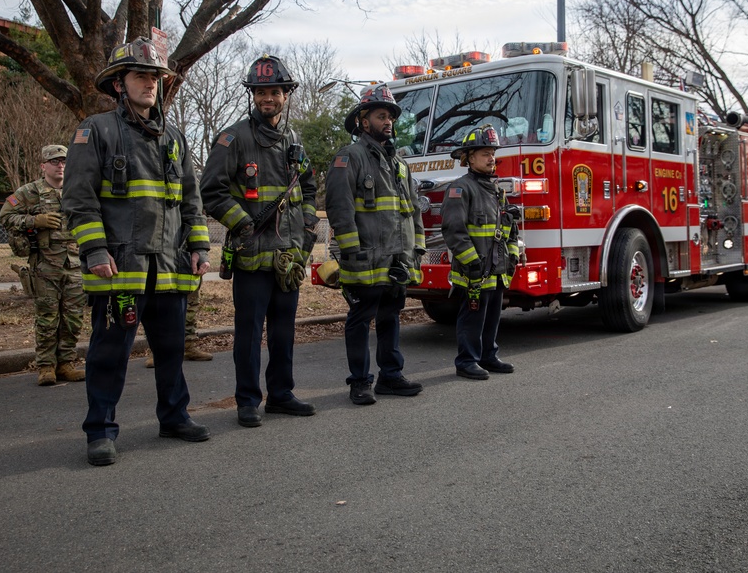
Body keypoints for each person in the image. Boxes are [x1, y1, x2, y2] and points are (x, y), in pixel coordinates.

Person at [62, 37, 212, 466]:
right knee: (109, 354)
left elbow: (191, 201)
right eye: (141, 76)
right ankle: (101, 431)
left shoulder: (176, 137)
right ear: (118, 84)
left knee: (171, 350)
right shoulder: (96, 131)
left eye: (155, 77)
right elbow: (78, 199)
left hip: (169, 269)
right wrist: (94, 250)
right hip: (120, 269)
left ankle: (175, 417)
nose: (150, 84)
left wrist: (199, 245)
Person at [199, 54, 318, 427]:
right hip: (251, 256)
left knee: (283, 331)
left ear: (286, 94)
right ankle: (247, 401)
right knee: (249, 334)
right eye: (260, 92)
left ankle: (281, 394)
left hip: (288, 257)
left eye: (275, 91)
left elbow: (310, 187)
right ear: (253, 95)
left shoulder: (294, 138)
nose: (268, 98)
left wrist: (308, 232)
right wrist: (244, 225)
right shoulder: (232, 138)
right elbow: (211, 191)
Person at [324, 85, 425, 405]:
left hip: (397, 259)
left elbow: (413, 210)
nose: (388, 122)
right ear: (363, 121)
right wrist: (352, 252)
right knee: (359, 317)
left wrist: (417, 250)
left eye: (391, 116)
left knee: (390, 317)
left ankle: (390, 377)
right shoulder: (348, 157)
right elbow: (340, 208)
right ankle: (359, 382)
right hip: (364, 259)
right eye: (381, 115)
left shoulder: (400, 163)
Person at [0, 145, 86, 386]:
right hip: (45, 264)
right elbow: (5, 217)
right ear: (43, 166)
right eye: (54, 161)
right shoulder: (29, 192)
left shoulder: (78, 190)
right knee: (47, 317)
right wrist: (34, 221)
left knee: (73, 317)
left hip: (75, 264)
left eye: (64, 161)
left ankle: (66, 363)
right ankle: (46, 366)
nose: (60, 166)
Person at [441, 125, 521, 380]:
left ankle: (488, 355)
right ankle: (466, 360)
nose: (491, 158)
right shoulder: (460, 189)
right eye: (485, 153)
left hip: (496, 269)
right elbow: (454, 231)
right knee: (473, 315)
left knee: (492, 314)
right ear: (469, 157)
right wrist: (471, 262)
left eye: (493, 153)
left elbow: (507, 229)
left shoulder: (497, 190)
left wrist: (513, 255)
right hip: (474, 270)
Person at [145, 283, 213, 368]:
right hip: (166, 275)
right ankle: (158, 352)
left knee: (191, 307)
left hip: (189, 274)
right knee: (164, 306)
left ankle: (188, 347)